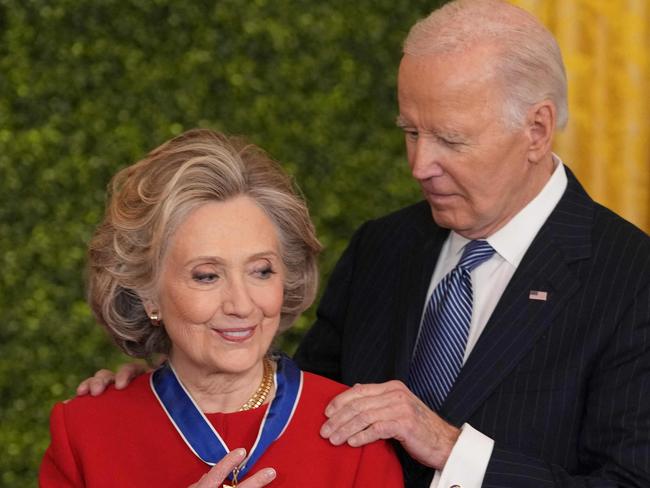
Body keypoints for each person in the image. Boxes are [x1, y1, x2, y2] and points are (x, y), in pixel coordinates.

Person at [78, 1, 650, 487]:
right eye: (410, 132)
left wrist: (453, 450)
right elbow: (293, 397)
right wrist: (163, 390)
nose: (420, 165)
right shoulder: (386, 245)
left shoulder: (631, 277)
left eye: (449, 139)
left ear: (537, 130)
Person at [39, 129, 404, 487]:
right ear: (148, 294)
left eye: (261, 271)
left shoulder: (354, 430)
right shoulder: (87, 432)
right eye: (207, 276)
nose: (241, 304)